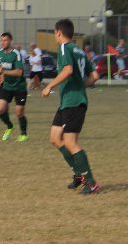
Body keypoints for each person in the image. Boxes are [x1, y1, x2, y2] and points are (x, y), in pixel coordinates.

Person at [43, 18, 100, 195]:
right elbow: (95, 76)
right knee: (55, 138)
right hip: (67, 102)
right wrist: (80, 86)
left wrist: (49, 86)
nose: (55, 35)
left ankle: (90, 182)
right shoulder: (79, 50)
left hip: (73, 103)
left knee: (70, 142)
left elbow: (67, 70)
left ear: (59, 32)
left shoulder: (64, 48)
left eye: (54, 32)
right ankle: (79, 175)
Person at [0, 32, 28, 142]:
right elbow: (2, 68)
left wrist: (4, 71)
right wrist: (1, 77)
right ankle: (10, 126)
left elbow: (19, 72)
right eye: (2, 40)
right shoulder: (0, 53)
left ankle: (24, 134)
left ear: (10, 41)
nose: (3, 42)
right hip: (7, 87)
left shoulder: (16, 53)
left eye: (5, 40)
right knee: (0, 109)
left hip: (20, 88)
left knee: (19, 112)